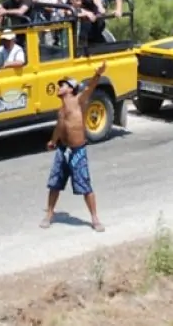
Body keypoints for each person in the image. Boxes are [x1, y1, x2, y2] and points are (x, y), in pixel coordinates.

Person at [40, 61, 107, 233]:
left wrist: (97, 74)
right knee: (54, 184)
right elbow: (59, 126)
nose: (59, 87)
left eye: (62, 85)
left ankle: (95, 218)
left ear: (71, 89)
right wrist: (53, 141)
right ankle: (49, 214)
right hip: (63, 150)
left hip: (78, 151)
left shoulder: (79, 101)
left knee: (85, 185)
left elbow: (89, 88)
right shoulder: (61, 110)